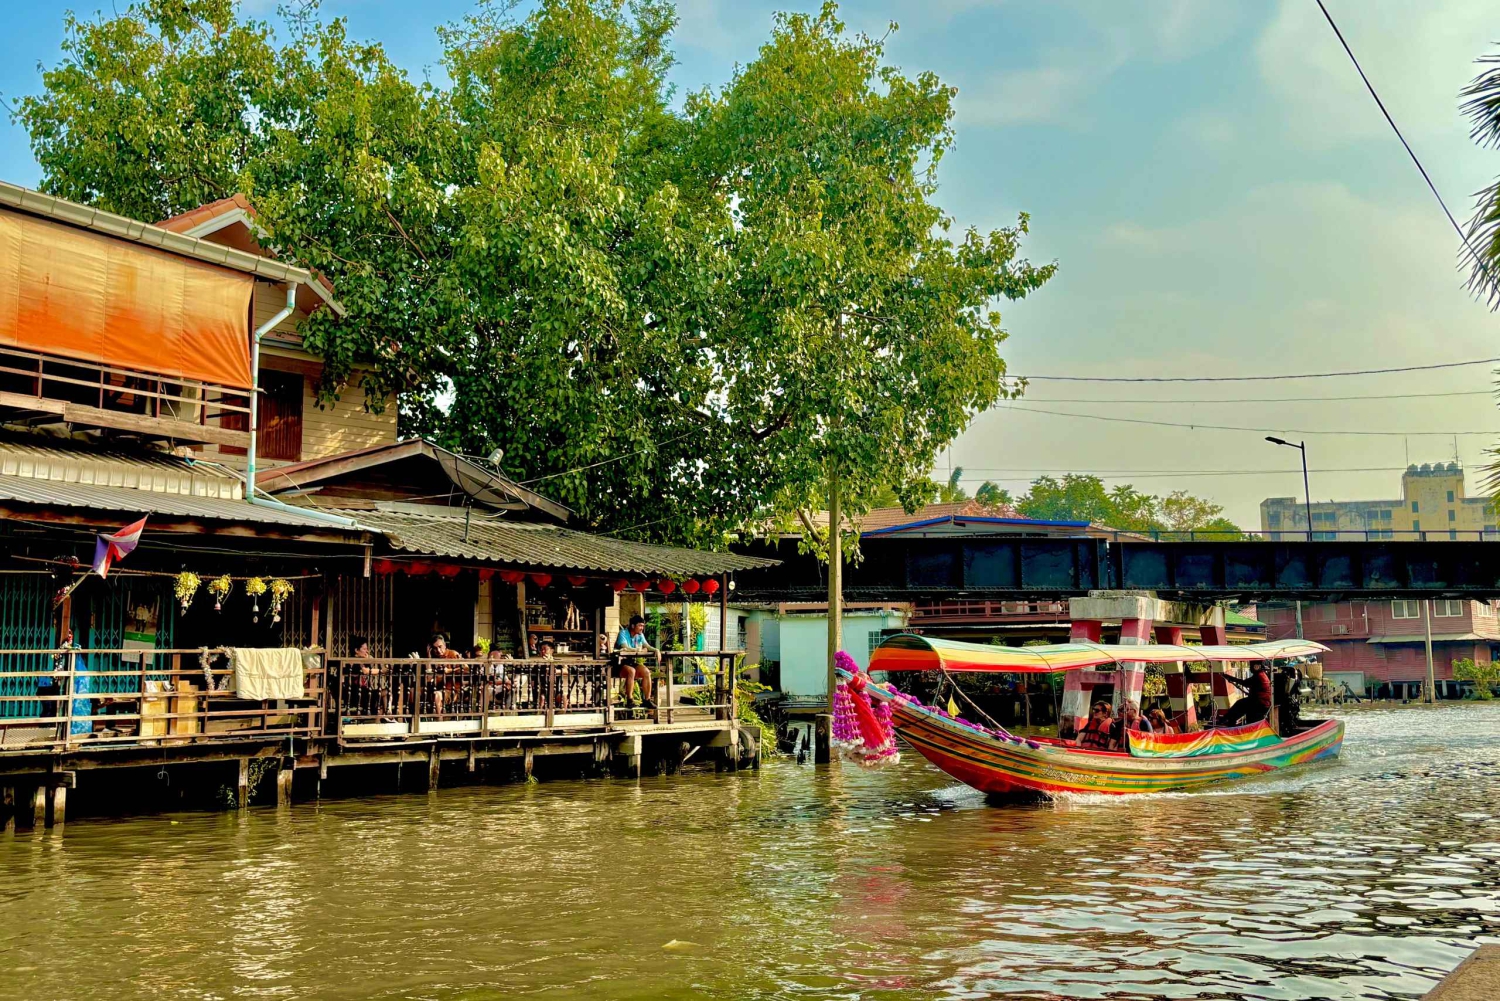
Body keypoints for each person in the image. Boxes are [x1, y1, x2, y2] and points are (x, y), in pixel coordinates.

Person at [613, 614, 656, 710]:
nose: (642, 628)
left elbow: (647, 646)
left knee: (646, 672)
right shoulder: (623, 633)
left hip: (632, 662)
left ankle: (647, 700)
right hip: (619, 664)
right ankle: (630, 700)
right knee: (631, 671)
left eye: (643, 626)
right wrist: (637, 650)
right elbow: (625, 647)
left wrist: (656, 650)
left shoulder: (640, 635)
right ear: (633, 626)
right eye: (640, 625)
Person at [1221, 662, 1274, 727]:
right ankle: (1227, 719)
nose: (1250, 668)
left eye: (1251, 666)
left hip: (1259, 703)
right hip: (1262, 703)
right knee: (1241, 704)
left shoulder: (1258, 676)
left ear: (1256, 667)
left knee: (1240, 704)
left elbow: (1245, 683)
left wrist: (1230, 678)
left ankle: (1227, 720)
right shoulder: (1263, 675)